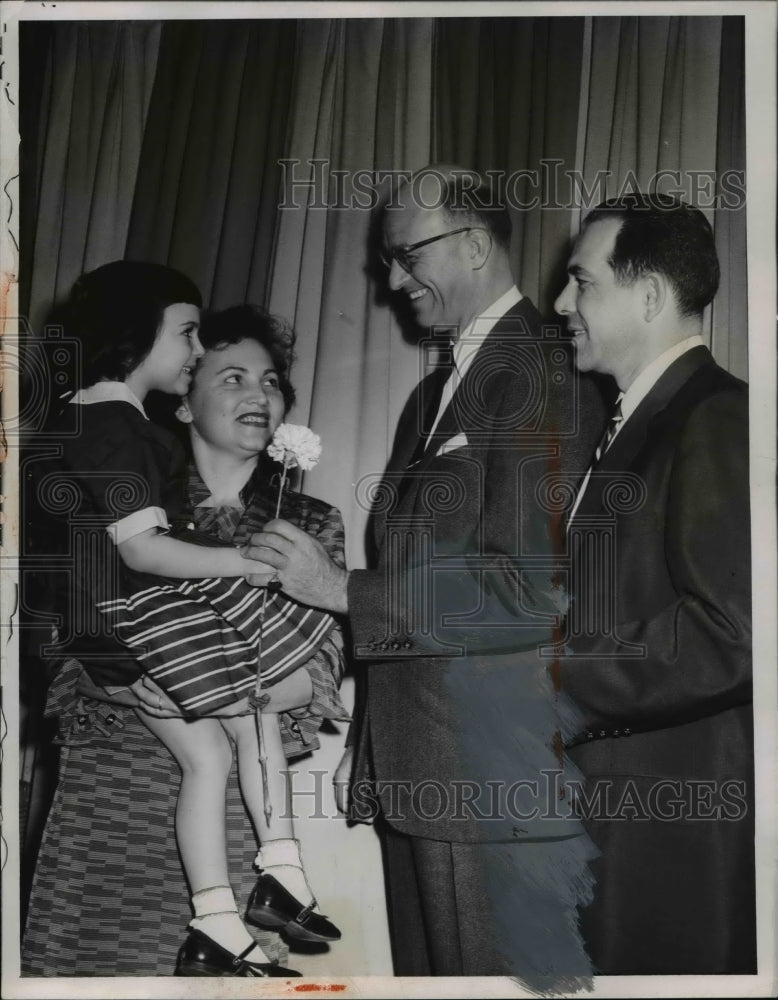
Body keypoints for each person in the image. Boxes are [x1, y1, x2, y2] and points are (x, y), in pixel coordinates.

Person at [245, 166, 607, 980]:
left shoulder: (543, 374)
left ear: (475, 244)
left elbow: (528, 593)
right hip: (419, 771)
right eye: (385, 262)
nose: (392, 280)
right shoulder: (434, 395)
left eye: (406, 256)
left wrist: (337, 591)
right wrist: (372, 745)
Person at [28, 264, 342, 977]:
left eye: (270, 381)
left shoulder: (310, 521)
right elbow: (64, 628)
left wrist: (215, 680)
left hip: (234, 807)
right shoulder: (129, 459)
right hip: (112, 794)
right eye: (230, 376)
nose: (257, 394)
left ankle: (260, 892)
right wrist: (143, 675)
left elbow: (318, 677)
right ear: (184, 399)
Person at [553, 194, 755, 974]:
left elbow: (732, 629)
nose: (560, 303)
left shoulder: (717, 416)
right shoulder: (634, 427)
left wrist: (550, 668)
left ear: (647, 295)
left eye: (581, 282)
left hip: (671, 845)